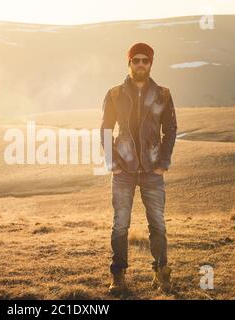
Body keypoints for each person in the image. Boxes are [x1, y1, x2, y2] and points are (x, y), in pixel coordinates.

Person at [100, 42, 178, 294]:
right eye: (136, 60)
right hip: (123, 171)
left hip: (152, 171)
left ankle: (161, 272)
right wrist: (112, 163)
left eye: (145, 60)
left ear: (151, 64)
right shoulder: (114, 94)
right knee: (120, 224)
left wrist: (163, 163)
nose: (141, 64)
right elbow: (105, 129)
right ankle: (118, 275)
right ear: (129, 63)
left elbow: (171, 129)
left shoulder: (163, 94)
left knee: (157, 224)